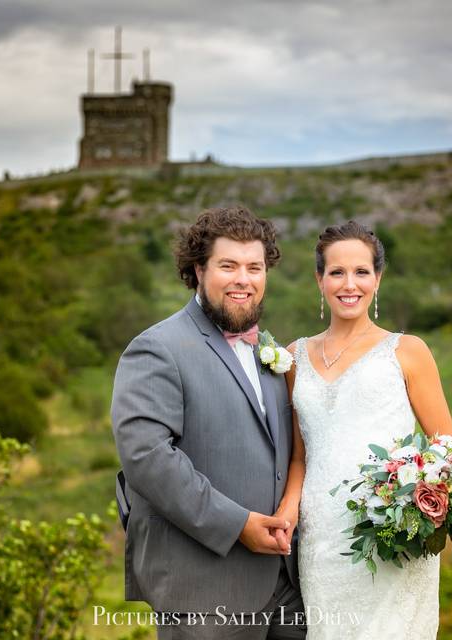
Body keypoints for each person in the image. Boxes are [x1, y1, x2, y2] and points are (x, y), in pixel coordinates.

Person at [112, 206, 307, 639]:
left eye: (255, 267)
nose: (244, 279)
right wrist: (238, 525)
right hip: (204, 591)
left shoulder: (268, 352)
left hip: (286, 590)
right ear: (198, 270)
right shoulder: (157, 348)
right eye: (228, 266)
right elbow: (148, 458)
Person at [273, 220, 452, 639]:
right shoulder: (293, 357)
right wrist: (288, 510)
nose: (349, 284)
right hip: (322, 535)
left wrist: (412, 500)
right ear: (319, 279)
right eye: (336, 272)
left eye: (361, 271)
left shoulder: (408, 351)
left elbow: (446, 445)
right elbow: (300, 455)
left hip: (390, 530)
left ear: (378, 277)